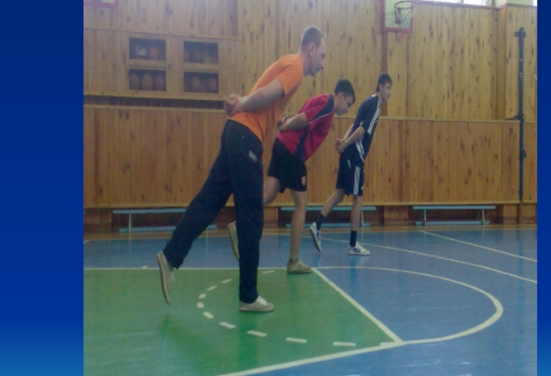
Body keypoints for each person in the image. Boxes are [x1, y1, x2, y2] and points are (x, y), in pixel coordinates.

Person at [156, 26, 327, 312]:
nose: (322, 64)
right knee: (252, 214)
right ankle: (248, 296)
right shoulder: (296, 67)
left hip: (235, 133)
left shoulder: (288, 63)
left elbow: (268, 99)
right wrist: (243, 103)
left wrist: (268, 115)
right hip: (245, 136)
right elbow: (265, 93)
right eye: (322, 55)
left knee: (209, 201)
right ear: (310, 48)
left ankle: (170, 257)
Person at [227, 78, 356, 273]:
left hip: (282, 145)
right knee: (301, 204)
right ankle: (293, 261)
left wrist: (286, 125)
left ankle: (238, 225)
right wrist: (286, 126)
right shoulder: (328, 104)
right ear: (341, 96)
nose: (347, 110)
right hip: (292, 151)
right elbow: (304, 119)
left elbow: (303, 118)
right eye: (348, 104)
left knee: (267, 195)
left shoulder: (324, 104)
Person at [309, 72, 393, 256]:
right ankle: (353, 244)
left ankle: (317, 225)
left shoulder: (367, 101)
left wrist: (343, 142)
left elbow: (352, 126)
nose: (389, 92)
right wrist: (346, 143)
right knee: (358, 197)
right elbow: (361, 130)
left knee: (340, 193)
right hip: (356, 155)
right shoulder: (375, 107)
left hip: (349, 151)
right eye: (387, 88)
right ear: (380, 86)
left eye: (390, 89)